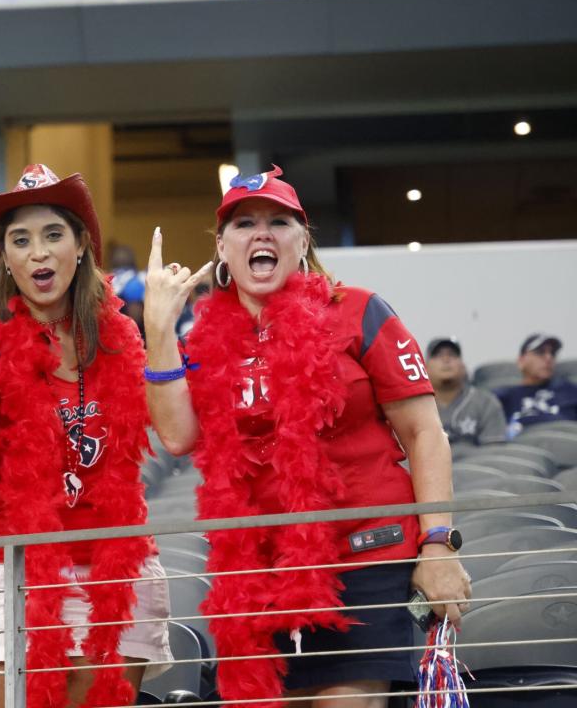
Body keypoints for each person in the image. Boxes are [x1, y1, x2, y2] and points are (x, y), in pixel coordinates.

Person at [144, 166, 470, 706]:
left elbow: (424, 434)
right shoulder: (199, 339)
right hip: (256, 570)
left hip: (363, 556)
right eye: (244, 224)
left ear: (303, 240)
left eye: (279, 221)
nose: (262, 233)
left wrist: (437, 544)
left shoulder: (360, 311)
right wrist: (159, 330)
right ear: (222, 248)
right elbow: (178, 437)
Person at [0, 166, 171, 708]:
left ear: (82, 244)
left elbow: (176, 434)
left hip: (109, 558)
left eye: (52, 235)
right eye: (20, 240)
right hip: (2, 558)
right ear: (5, 257)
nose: (38, 253)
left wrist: (161, 329)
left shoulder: (122, 334)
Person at [424, 337, 507, 446]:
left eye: (452, 355)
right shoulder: (415, 406)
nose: (446, 360)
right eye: (438, 355)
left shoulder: (486, 402)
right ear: (425, 367)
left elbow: (493, 452)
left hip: (476, 462)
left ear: (463, 366)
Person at [497, 334, 577, 436]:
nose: (549, 358)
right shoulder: (505, 397)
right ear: (521, 361)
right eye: (540, 352)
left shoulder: (569, 390)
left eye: (552, 353)